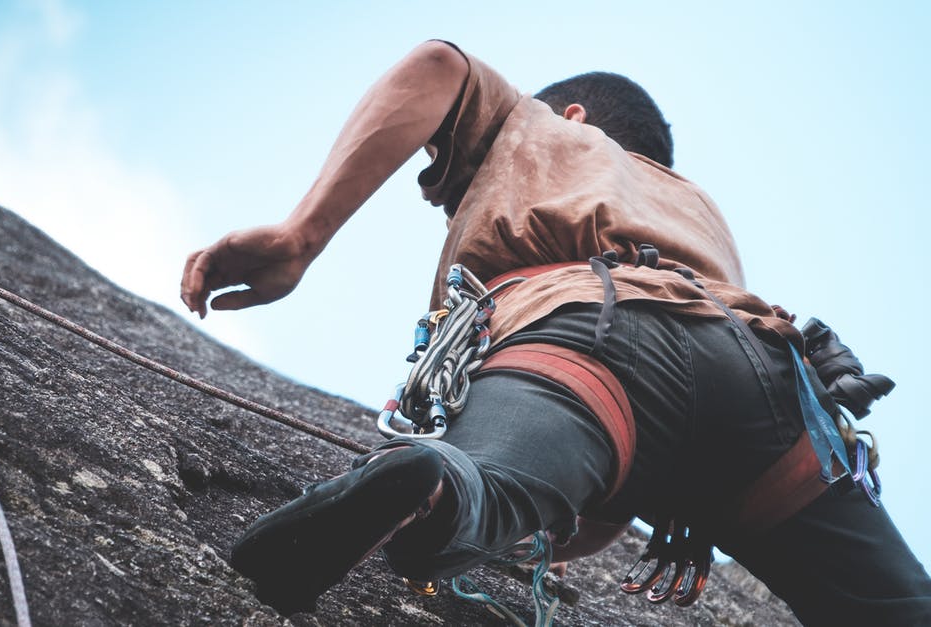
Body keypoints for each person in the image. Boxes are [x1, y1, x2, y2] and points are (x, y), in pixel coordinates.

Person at [179, 40, 931, 624]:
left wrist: (299, 237)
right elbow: (607, 486)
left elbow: (440, 66)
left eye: (449, 180)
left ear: (573, 116)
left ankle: (437, 492)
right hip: (762, 379)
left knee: (477, 488)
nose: (444, 197)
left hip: (584, 334)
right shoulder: (696, 211)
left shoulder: (545, 132)